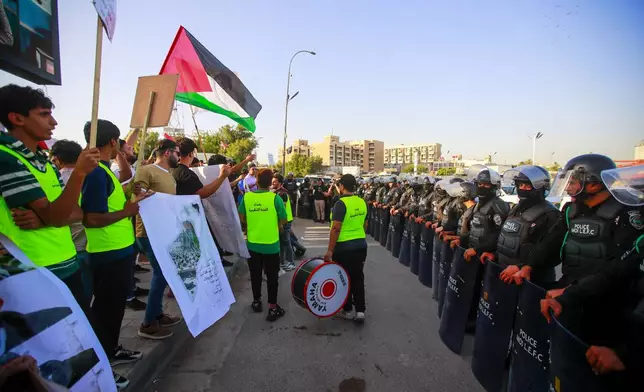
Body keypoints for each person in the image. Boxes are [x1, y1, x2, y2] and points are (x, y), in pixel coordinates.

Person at [542, 164, 644, 389]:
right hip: (574, 300)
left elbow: (618, 269)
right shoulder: (571, 210)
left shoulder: (625, 216)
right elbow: (550, 245)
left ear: (594, 183)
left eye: (573, 181)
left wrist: (626, 354)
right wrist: (526, 267)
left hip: (610, 310)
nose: (568, 187)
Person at [0, 84, 99, 309]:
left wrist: (45, 217)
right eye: (44, 115)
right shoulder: (6, 158)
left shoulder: (41, 161)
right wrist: (80, 173)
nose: (53, 122)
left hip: (66, 263)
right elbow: (58, 216)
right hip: (34, 270)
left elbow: (75, 212)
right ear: (17, 118)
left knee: (82, 338)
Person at [80, 119, 151, 387]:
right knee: (105, 312)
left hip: (119, 250)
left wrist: (129, 193)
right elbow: (92, 218)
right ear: (112, 142)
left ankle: (111, 350)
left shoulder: (103, 172)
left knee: (114, 310)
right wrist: (128, 211)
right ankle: (102, 368)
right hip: (107, 253)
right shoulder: (96, 173)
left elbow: (109, 199)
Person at [133, 139, 183, 340]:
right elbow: (135, 195)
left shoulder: (169, 175)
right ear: (168, 152)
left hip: (164, 231)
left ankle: (157, 314)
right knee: (160, 274)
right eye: (177, 153)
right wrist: (146, 195)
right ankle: (148, 324)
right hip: (148, 233)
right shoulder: (147, 171)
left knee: (164, 273)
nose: (179, 157)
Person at [494, 165, 561, 286]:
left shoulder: (550, 214)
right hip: (506, 275)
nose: (523, 188)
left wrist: (522, 267)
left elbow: (553, 253)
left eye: (527, 185)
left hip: (532, 281)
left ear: (541, 187)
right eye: (520, 185)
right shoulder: (517, 208)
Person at [172, 138, 233, 266]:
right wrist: (221, 177)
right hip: (189, 219)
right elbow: (202, 193)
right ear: (190, 154)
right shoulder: (184, 173)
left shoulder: (173, 170)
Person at [238, 168, 287, 321]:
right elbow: (283, 218)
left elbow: (241, 217)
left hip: (253, 244)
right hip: (271, 244)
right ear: (270, 182)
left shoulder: (247, 197)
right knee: (272, 277)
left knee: (255, 274)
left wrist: (252, 224)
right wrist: (276, 226)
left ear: (257, 182)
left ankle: (257, 301)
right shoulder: (275, 198)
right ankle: (273, 308)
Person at [50, 140, 91, 298]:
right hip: (89, 241)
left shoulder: (56, 181)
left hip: (69, 245)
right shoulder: (89, 175)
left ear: (58, 160)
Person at [325, 174, 368, 323]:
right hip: (361, 245)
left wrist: (330, 250)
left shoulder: (340, 204)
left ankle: (348, 309)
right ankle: (360, 311)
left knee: (344, 278)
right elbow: (365, 224)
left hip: (344, 247)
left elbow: (335, 228)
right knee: (357, 277)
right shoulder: (362, 202)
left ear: (342, 186)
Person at [460, 165, 510, 263]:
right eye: (479, 184)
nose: (482, 187)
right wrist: (461, 242)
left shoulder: (498, 206)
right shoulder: (478, 204)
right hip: (472, 255)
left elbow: (502, 236)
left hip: (487, 258)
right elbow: (472, 229)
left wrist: (478, 250)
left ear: (494, 186)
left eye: (486, 185)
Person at [272, 173, 296, 272]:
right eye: (272, 181)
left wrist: (281, 224)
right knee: (282, 242)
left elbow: (282, 209)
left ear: (280, 183)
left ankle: (291, 262)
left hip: (285, 221)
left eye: (275, 182)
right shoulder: (277, 192)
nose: (273, 183)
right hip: (282, 221)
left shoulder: (282, 193)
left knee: (286, 242)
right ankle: (281, 262)